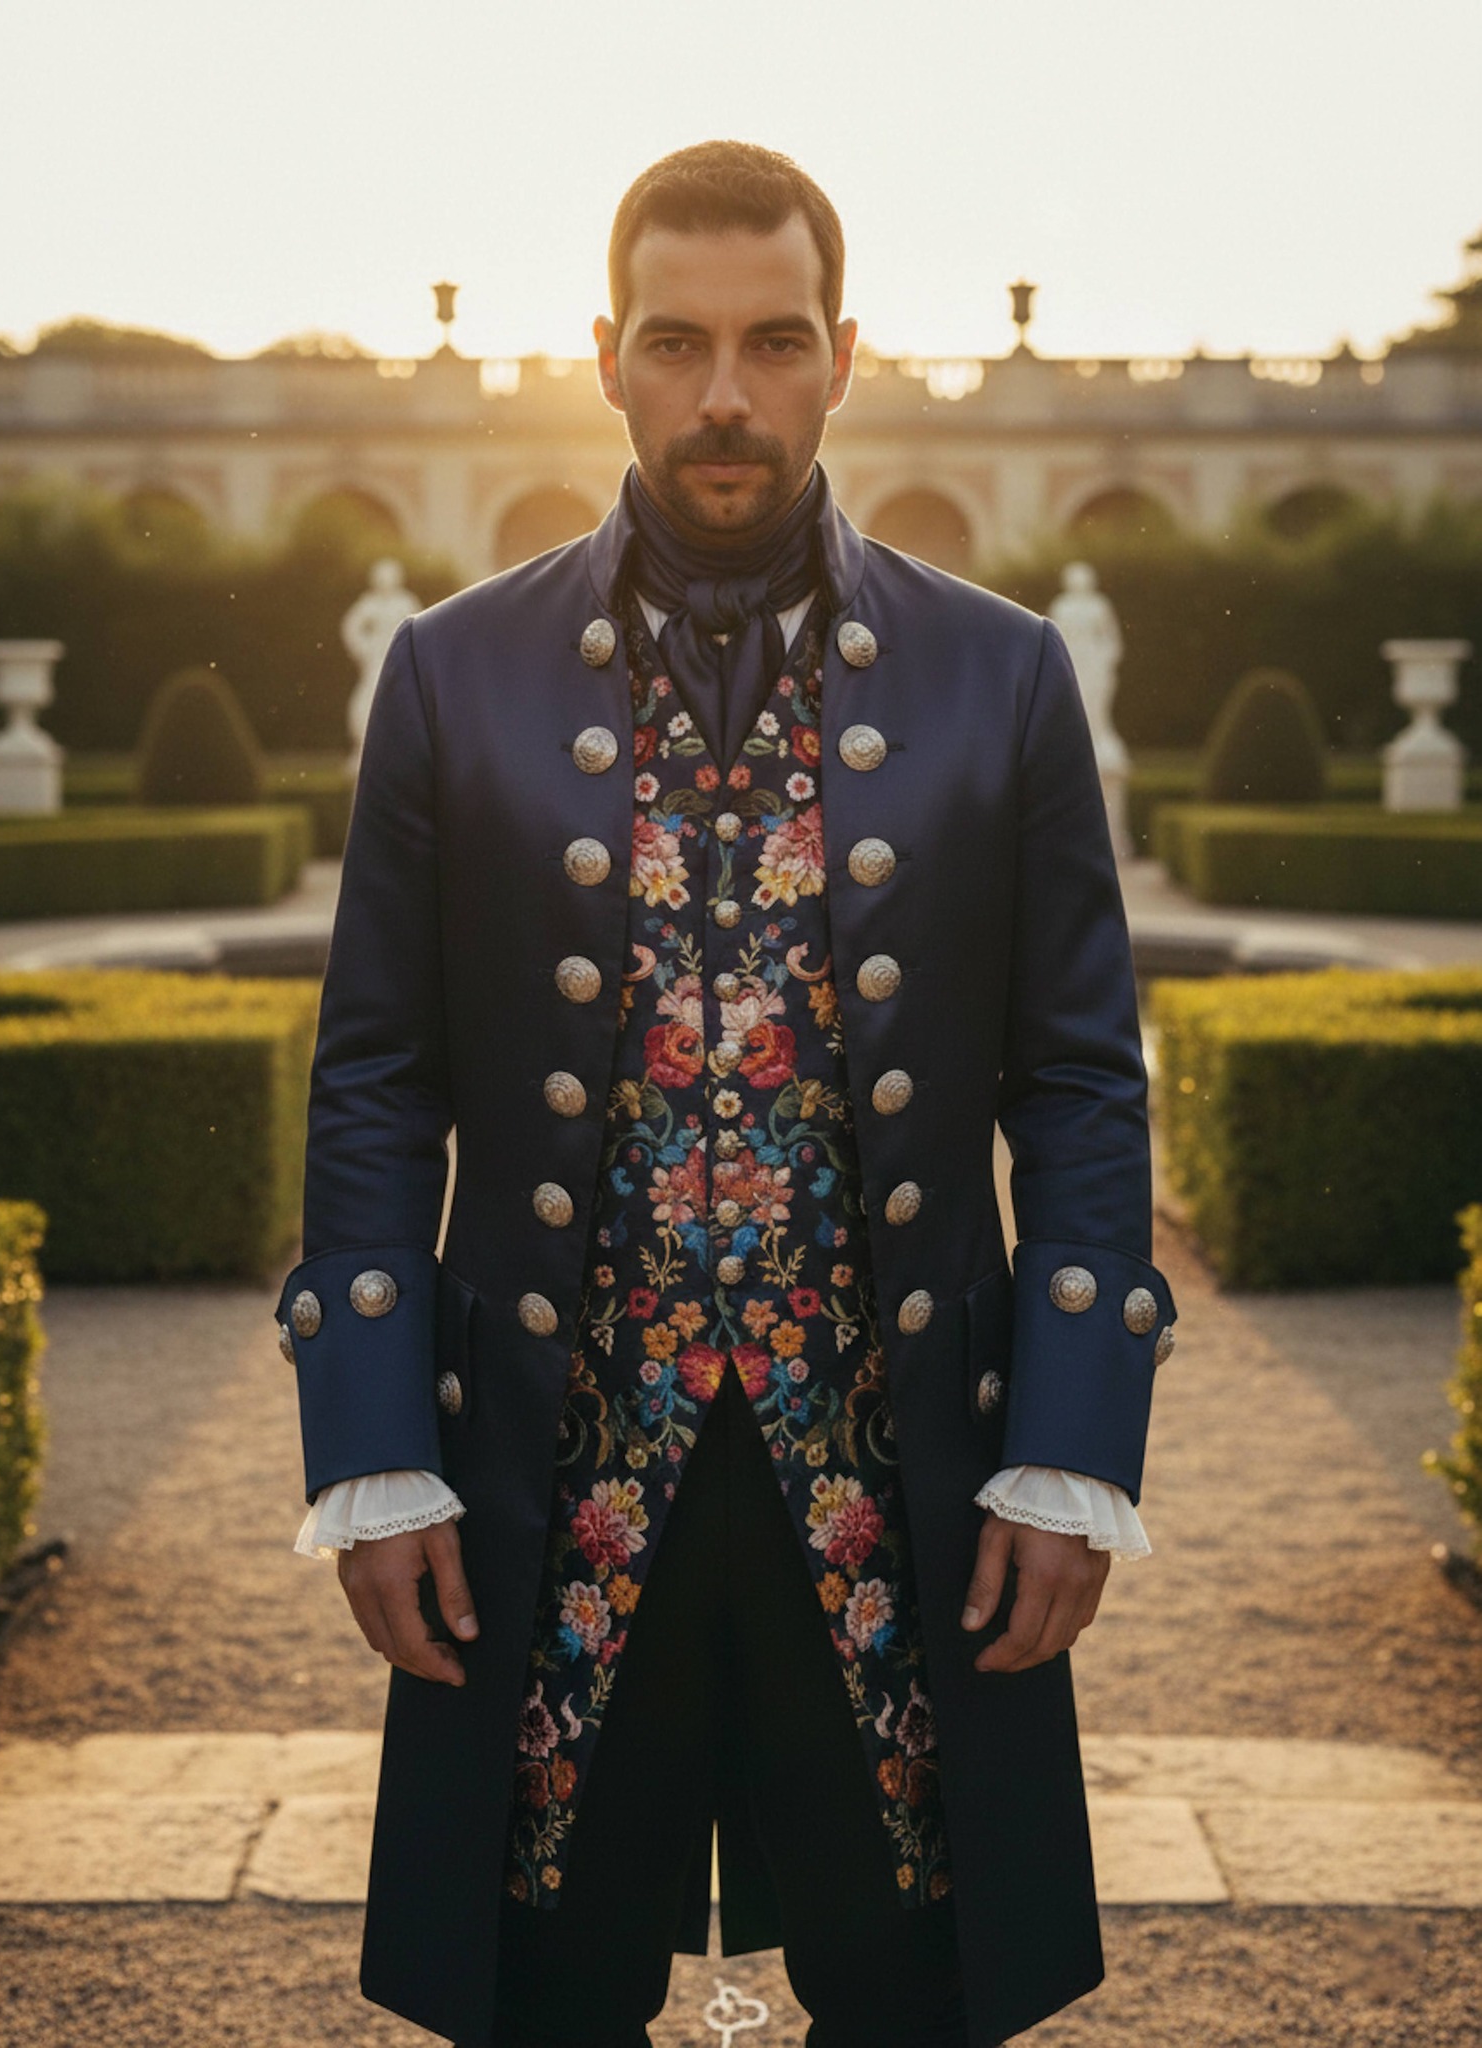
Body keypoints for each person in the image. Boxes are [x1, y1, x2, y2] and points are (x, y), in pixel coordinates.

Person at [274, 140, 1177, 2048]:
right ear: (603, 353)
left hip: (892, 1484)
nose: (724, 398)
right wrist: (371, 1448)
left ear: (845, 354)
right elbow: (377, 1077)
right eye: (676, 344)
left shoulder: (1003, 676)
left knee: (909, 1987)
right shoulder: (451, 675)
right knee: (551, 1993)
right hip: (555, 1481)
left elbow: (1081, 1079)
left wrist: (1075, 1442)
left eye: (774, 343)